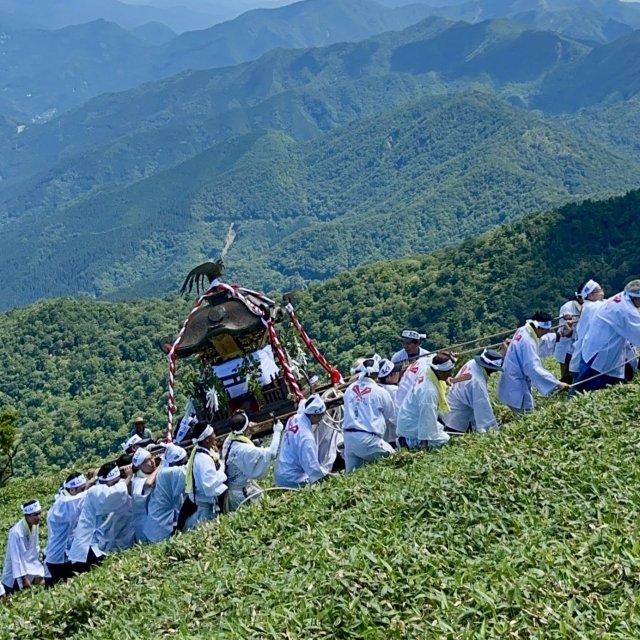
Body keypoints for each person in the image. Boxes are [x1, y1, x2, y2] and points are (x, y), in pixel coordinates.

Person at [67, 462, 133, 574]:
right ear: (105, 481)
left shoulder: (101, 488)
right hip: (87, 546)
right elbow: (116, 493)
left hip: (97, 545)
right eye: (115, 482)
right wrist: (129, 476)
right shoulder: (96, 492)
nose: (119, 484)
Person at [497, 312, 570, 412]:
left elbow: (539, 343)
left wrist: (560, 335)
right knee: (527, 414)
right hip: (517, 386)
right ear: (538, 328)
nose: (547, 333)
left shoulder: (523, 330)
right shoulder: (527, 341)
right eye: (546, 330)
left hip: (511, 381)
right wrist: (557, 383)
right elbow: (533, 368)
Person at [575, 280, 640, 391]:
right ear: (637, 298)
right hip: (600, 356)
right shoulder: (626, 310)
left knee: (585, 385)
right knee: (590, 389)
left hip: (593, 349)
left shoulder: (621, 297)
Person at [221, 412, 284, 512]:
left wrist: (250, 430)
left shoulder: (229, 440)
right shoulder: (243, 450)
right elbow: (272, 453)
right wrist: (277, 431)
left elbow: (244, 437)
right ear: (245, 429)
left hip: (234, 491)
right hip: (242, 494)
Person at [342, 355, 397, 471]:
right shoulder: (380, 392)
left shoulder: (349, 389)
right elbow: (390, 414)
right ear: (377, 375)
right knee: (395, 459)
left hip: (348, 438)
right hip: (368, 439)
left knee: (352, 475)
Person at [396, 352, 454, 450]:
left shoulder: (428, 370)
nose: (451, 374)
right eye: (449, 371)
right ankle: (410, 443)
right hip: (411, 425)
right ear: (440, 373)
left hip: (408, 418)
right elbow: (426, 420)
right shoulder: (429, 392)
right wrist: (424, 447)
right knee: (445, 441)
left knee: (439, 428)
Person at [43, 472, 93, 585]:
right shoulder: (64, 504)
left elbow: (81, 496)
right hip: (57, 558)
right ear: (72, 490)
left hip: (65, 555)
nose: (84, 491)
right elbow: (86, 496)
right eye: (82, 489)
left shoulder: (66, 498)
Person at [442, 349, 503, 434]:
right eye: (494, 369)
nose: (494, 372)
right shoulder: (477, 382)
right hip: (457, 417)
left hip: (450, 403)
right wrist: (493, 432)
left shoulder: (472, 363)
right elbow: (484, 411)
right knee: (456, 436)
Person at [274, 394, 329, 488]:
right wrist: (328, 476)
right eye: (322, 415)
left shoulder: (293, 418)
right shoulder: (307, 439)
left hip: (280, 472)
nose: (322, 418)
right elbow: (313, 469)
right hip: (291, 478)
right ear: (314, 415)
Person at [182, 422, 228, 530]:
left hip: (205, 506)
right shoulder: (204, 459)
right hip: (204, 511)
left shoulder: (205, 453)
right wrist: (223, 473)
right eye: (213, 434)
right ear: (207, 439)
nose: (215, 435)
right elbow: (209, 486)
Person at [143, 444, 188, 543]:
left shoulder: (164, 469)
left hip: (159, 523)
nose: (185, 464)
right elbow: (190, 470)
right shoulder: (168, 473)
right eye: (184, 462)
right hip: (160, 527)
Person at [2, 500, 45, 595]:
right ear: (27, 516)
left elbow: (35, 547)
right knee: (11, 598)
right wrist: (24, 579)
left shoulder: (35, 525)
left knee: (43, 581)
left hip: (28, 566)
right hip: (15, 573)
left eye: (39, 513)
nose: (39, 517)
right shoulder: (16, 532)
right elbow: (15, 559)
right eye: (35, 515)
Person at [569, 280, 606, 381]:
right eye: (598, 290)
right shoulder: (592, 307)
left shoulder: (588, 306)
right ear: (590, 295)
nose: (602, 291)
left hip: (581, 359)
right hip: (583, 361)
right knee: (579, 391)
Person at [554, 284, 583, 383]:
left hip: (580, 346)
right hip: (566, 347)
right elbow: (566, 332)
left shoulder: (589, 306)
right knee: (567, 377)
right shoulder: (567, 308)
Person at [130, 448, 159, 544]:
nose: (152, 462)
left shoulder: (151, 473)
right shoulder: (137, 480)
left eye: (152, 458)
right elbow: (148, 484)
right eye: (147, 461)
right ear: (140, 466)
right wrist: (160, 467)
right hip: (145, 525)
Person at [377, 358, 402, 444]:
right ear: (388, 377)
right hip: (394, 434)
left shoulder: (378, 387)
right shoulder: (394, 390)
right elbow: (397, 414)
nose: (398, 373)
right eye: (395, 372)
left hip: (382, 434)